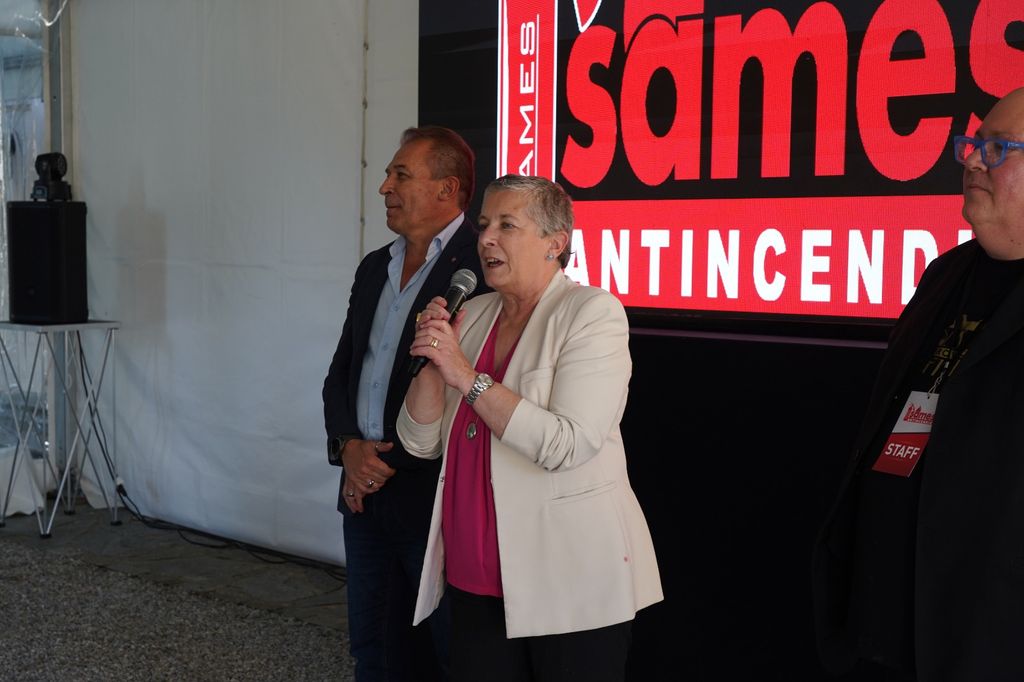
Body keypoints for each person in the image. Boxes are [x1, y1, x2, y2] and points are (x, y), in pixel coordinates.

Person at [395, 174, 663, 681]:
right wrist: (433, 361)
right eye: (483, 225)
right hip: (474, 579)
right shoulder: (473, 313)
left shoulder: (591, 312)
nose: (486, 239)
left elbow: (568, 444)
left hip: (568, 581)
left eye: (506, 225)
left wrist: (465, 376)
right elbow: (419, 442)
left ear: (554, 243)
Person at [814, 86, 1024, 682]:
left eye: (998, 148)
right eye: (973, 144)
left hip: (984, 642)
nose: (972, 159)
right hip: (881, 628)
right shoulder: (945, 275)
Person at [322, 126, 487, 681]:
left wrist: (380, 461)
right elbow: (343, 372)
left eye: (401, 175)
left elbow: (477, 386)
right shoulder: (376, 266)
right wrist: (348, 448)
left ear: (447, 188)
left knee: (448, 652)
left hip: (433, 497)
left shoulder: (483, 268)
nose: (384, 187)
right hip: (363, 491)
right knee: (372, 649)